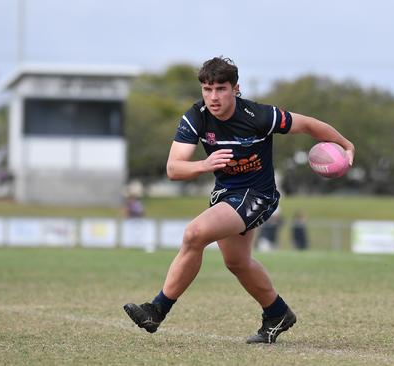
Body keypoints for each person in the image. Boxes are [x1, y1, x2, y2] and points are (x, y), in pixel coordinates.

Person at [123, 57, 355, 344]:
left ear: (236, 89)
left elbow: (308, 125)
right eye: (207, 89)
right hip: (226, 196)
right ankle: (277, 313)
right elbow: (174, 169)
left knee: (194, 234)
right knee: (237, 262)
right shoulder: (196, 117)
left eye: (221, 89)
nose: (213, 97)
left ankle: (156, 310)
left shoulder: (258, 116)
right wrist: (203, 165)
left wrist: (345, 144)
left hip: (259, 196)